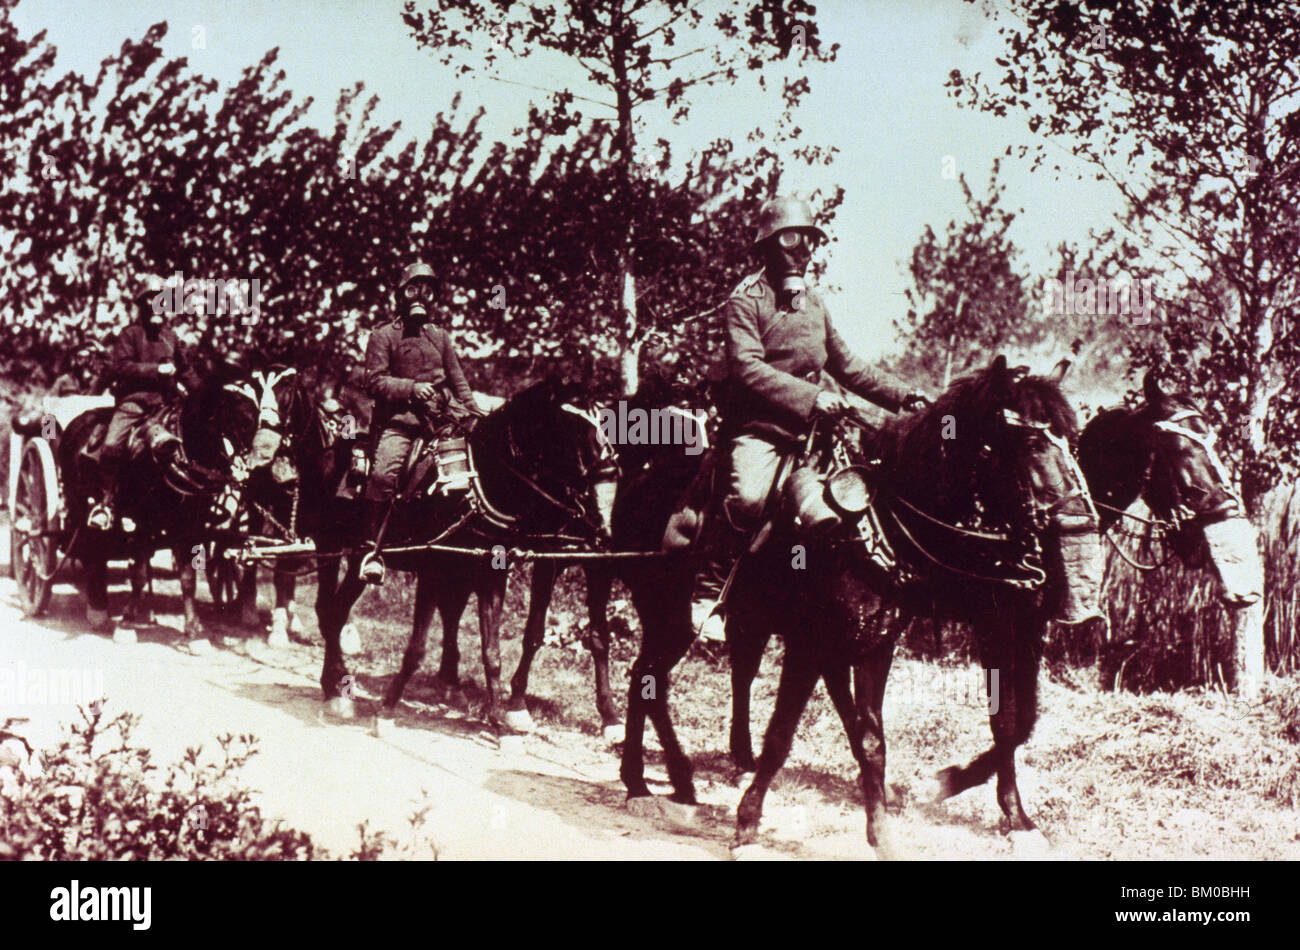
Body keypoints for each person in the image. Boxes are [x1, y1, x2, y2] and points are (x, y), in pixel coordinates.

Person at [690, 196, 931, 642]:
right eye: (792, 242)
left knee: (862, 498)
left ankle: (826, 602)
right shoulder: (745, 300)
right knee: (747, 499)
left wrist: (905, 395)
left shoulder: (815, 303)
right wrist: (811, 397)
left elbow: (849, 365)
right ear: (765, 247)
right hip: (761, 432)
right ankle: (710, 595)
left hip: (816, 434)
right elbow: (747, 368)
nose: (804, 252)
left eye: (810, 243)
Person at [359, 261, 484, 584]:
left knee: (467, 473)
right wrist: (411, 388)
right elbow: (374, 381)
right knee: (384, 473)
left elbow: (459, 383)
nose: (421, 297)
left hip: (442, 421)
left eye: (427, 291)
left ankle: (459, 544)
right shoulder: (384, 335)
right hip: (400, 422)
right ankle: (373, 551)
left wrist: (474, 415)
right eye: (414, 289)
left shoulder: (440, 337)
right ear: (401, 295)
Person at [86, 276, 194, 530]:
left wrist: (206, 394)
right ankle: (106, 502)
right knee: (112, 445)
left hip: (167, 404)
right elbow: (120, 368)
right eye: (152, 300)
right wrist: (156, 370)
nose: (158, 306)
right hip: (133, 404)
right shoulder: (130, 335)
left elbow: (187, 371)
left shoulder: (171, 337)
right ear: (143, 304)